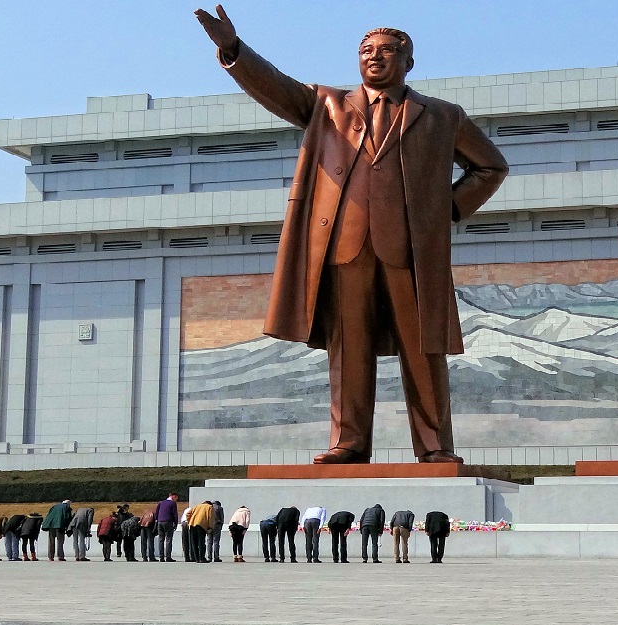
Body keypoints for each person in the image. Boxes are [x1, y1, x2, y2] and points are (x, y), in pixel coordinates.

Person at [194, 7, 508, 465]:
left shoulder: (442, 116)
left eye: (385, 51)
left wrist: (446, 209)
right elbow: (277, 88)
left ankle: (436, 445)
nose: (373, 57)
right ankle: (350, 442)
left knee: (424, 348)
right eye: (365, 51)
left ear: (408, 62)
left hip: (411, 249)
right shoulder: (328, 105)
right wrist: (233, 50)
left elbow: (491, 166)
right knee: (348, 348)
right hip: (344, 245)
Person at [155, 493, 180, 562]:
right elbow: (175, 514)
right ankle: (168, 557)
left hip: (160, 522)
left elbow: (156, 512)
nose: (176, 500)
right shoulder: (172, 503)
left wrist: (157, 520)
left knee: (161, 539)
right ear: (173, 496)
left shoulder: (161, 502)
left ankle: (161, 557)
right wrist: (175, 523)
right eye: (176, 498)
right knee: (168, 539)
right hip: (168, 522)